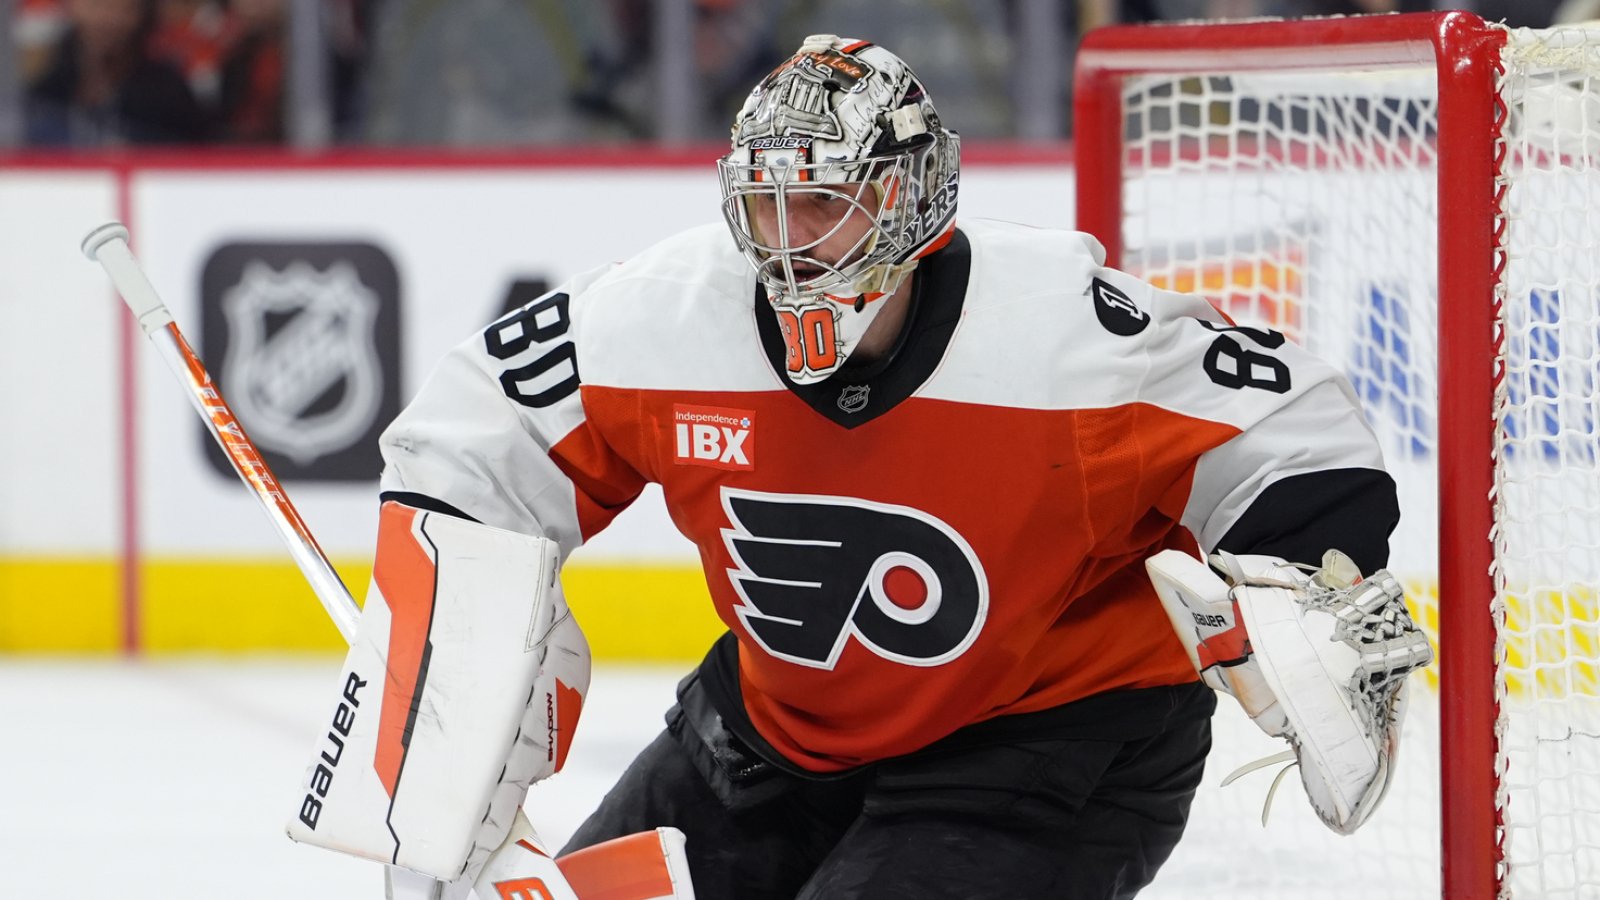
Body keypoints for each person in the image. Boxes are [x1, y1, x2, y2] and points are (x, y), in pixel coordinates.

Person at [374, 34, 1406, 899]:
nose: (788, 245)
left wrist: (1306, 583)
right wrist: (452, 647)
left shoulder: (1065, 335)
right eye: (767, 205)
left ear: (908, 198)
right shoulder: (659, 316)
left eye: (823, 204)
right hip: (773, 738)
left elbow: (1290, 418)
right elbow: (478, 432)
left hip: (1050, 751)